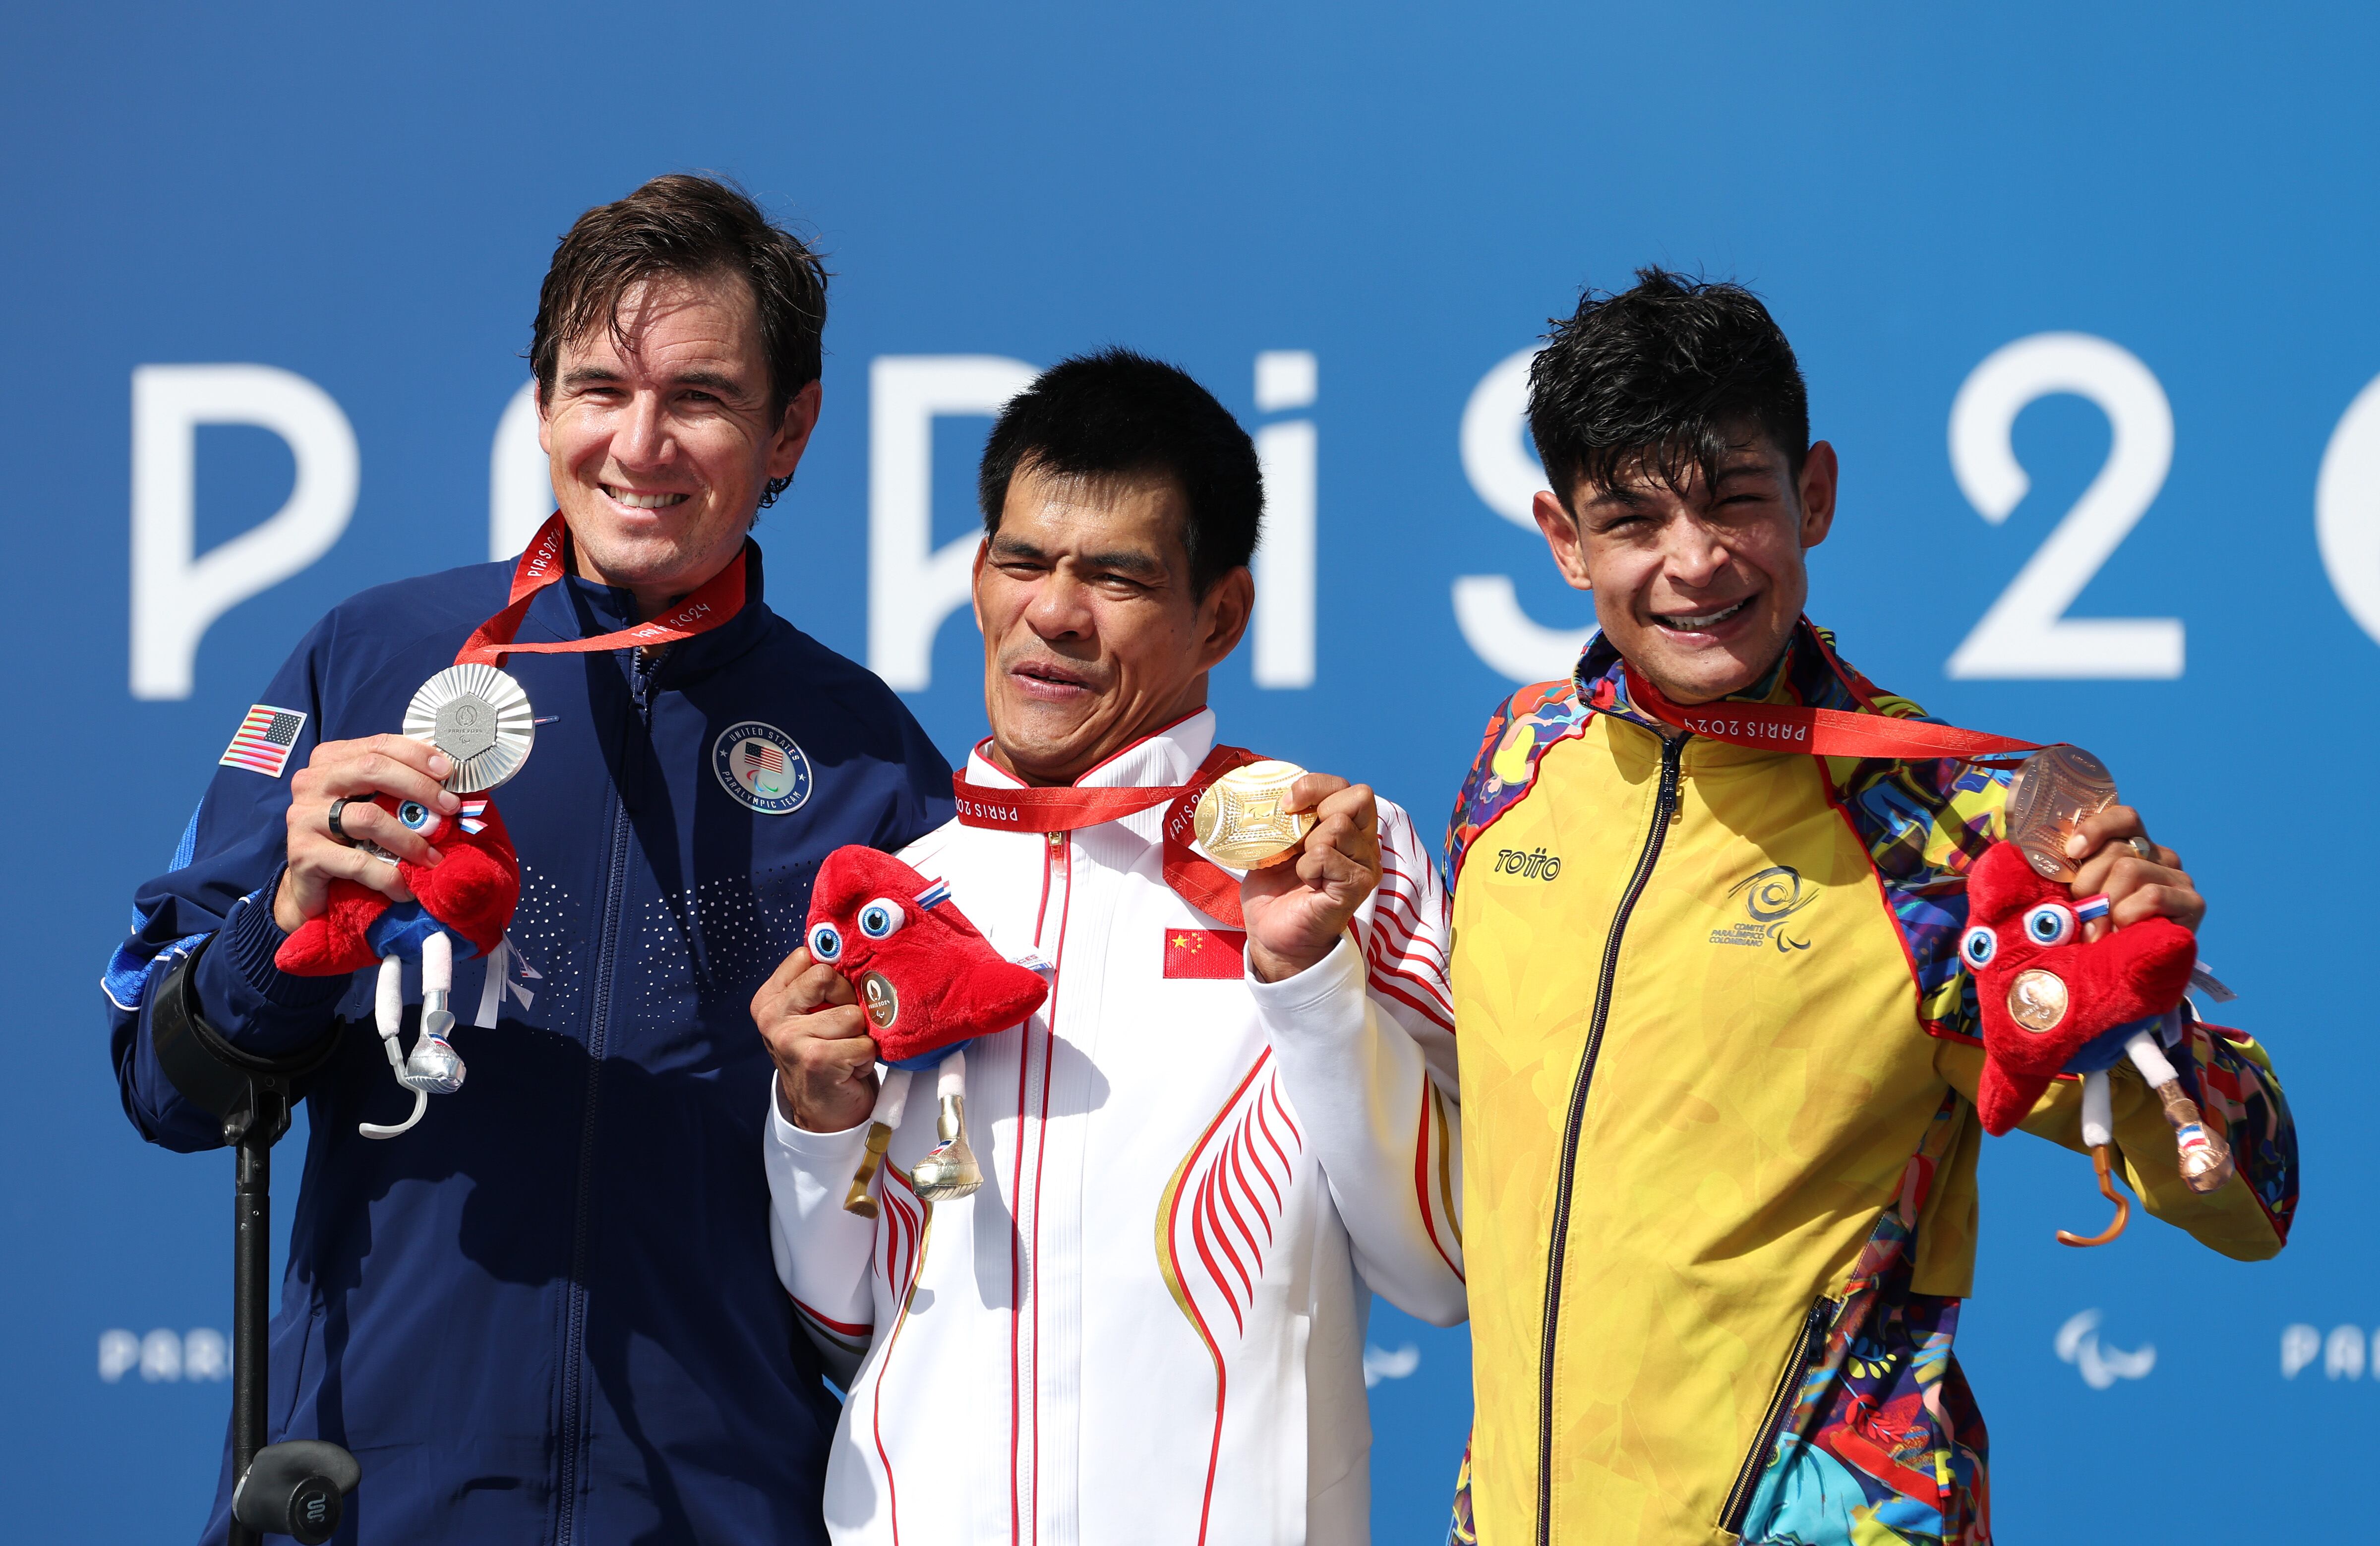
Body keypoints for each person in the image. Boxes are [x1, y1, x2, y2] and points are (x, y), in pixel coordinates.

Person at [103, 174, 953, 1544]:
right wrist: (281, 935)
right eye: (597, 386)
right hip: (375, 1498)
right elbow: (163, 1080)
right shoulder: (375, 661)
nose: (640, 442)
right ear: (543, 403)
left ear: (790, 428)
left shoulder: (870, 761)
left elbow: (927, 1253)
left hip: (715, 1507)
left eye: (703, 396)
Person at [1440, 270, 2296, 1546]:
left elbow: (2255, 1192)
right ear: (1564, 540)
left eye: (1736, 496)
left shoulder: (1955, 824)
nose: (1695, 560)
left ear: (1815, 494)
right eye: (1633, 518)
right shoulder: (1517, 766)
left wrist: (2146, 1017)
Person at [755, 349, 1466, 1546]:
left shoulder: (1335, 857)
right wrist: (815, 1121)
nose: (1056, 612)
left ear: (1222, 614)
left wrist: (1312, 984)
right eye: (1025, 561)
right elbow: (839, 1325)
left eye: (1118, 576)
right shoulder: (902, 896)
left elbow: (1442, 1266)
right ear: (978, 577)